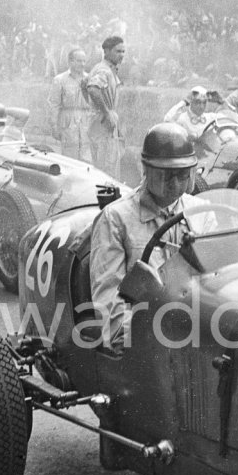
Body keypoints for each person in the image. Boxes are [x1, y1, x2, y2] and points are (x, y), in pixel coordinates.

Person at [90, 123, 206, 349]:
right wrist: (138, 343)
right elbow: (109, 305)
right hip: (148, 341)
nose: (175, 183)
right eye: (166, 175)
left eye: (183, 175)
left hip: (198, 328)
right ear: (146, 169)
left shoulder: (203, 212)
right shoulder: (115, 219)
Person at [85, 36, 125, 170]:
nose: (121, 55)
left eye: (123, 52)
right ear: (106, 51)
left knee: (111, 163)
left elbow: (85, 85)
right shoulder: (103, 70)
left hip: (106, 123)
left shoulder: (110, 70)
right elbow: (92, 88)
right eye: (117, 51)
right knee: (104, 168)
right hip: (101, 125)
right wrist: (106, 112)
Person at [47, 48, 93, 161]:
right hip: (68, 124)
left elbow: (95, 104)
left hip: (86, 123)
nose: (82, 64)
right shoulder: (60, 80)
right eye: (78, 61)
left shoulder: (90, 79)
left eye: (84, 61)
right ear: (70, 62)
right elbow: (54, 105)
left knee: (87, 159)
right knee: (70, 159)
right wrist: (54, 126)